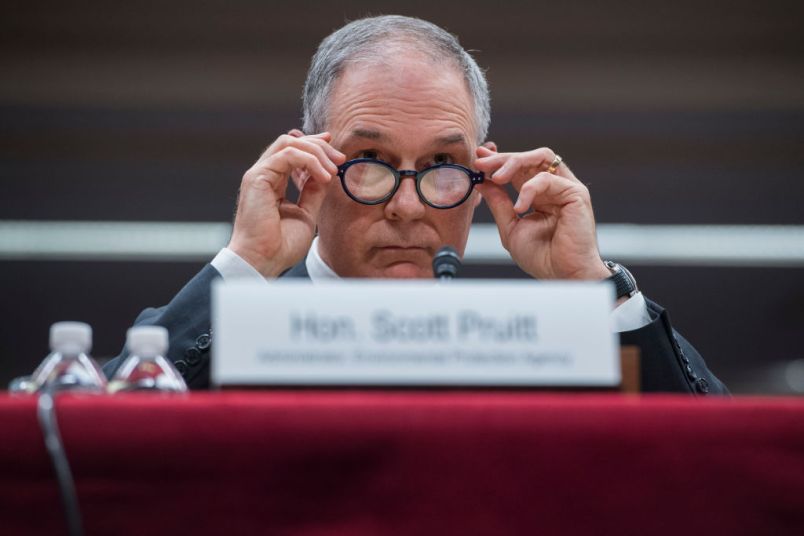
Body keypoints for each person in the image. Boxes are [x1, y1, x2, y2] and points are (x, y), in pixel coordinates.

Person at [103, 15, 726, 394]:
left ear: (483, 173)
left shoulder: (540, 345)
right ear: (309, 162)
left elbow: (719, 462)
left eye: (440, 167)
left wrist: (597, 285)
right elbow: (84, 438)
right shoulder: (229, 330)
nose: (406, 207)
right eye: (370, 164)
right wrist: (244, 265)